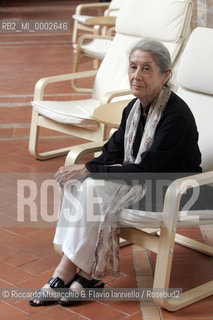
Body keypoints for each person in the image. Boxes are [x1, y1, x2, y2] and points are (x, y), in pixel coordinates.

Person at [29, 39, 201, 307]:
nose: (136, 75)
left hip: (172, 189)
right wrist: (84, 168)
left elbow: (147, 169)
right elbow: (114, 151)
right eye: (133, 67)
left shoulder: (176, 115)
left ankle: (70, 269)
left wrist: (90, 169)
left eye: (146, 69)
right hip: (144, 180)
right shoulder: (133, 108)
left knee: (93, 186)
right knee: (78, 183)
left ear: (165, 75)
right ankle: (86, 275)